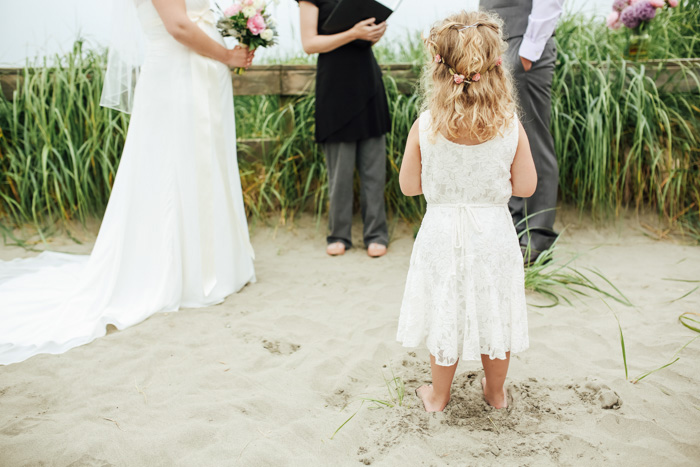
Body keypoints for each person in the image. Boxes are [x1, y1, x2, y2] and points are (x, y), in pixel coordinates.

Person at [0, 0, 256, 365]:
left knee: (204, 165)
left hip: (202, 77)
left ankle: (213, 265)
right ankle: (174, 273)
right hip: (176, 78)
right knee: (170, 169)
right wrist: (226, 56)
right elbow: (179, 27)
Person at [396, 10, 536, 412]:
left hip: (442, 231)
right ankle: (495, 394)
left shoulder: (425, 125)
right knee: (496, 313)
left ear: (439, 67)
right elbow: (526, 187)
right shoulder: (510, 124)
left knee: (446, 310)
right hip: (492, 232)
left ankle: (438, 397)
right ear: (496, 67)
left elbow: (408, 187)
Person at [295, 0, 390, 258]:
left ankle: (376, 233)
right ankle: (338, 234)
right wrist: (353, 33)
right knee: (339, 172)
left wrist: (373, 34)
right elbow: (309, 44)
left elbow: (365, 39)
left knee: (374, 170)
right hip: (335, 88)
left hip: (367, 83)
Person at [480, 0, 564, 264]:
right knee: (503, 140)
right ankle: (514, 229)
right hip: (493, 44)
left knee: (532, 138)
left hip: (523, 44)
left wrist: (527, 53)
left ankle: (536, 237)